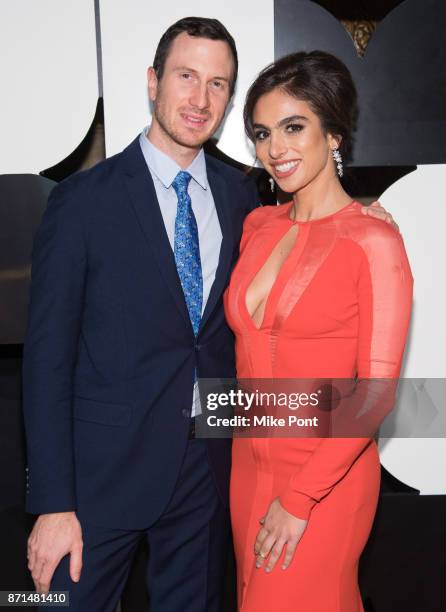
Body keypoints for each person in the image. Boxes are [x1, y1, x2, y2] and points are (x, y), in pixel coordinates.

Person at [23, 16, 396, 611]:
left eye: (218, 84)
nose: (201, 99)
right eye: (186, 77)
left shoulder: (243, 197)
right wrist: (52, 502)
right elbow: (45, 361)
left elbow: (315, 237)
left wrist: (366, 213)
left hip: (211, 479)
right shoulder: (81, 203)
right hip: (97, 488)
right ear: (153, 81)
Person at [225, 51, 413, 611]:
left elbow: (375, 396)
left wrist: (301, 499)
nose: (274, 149)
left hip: (325, 481)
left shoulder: (373, 242)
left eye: (293, 127)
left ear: (333, 133)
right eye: (262, 132)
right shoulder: (257, 226)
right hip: (247, 470)